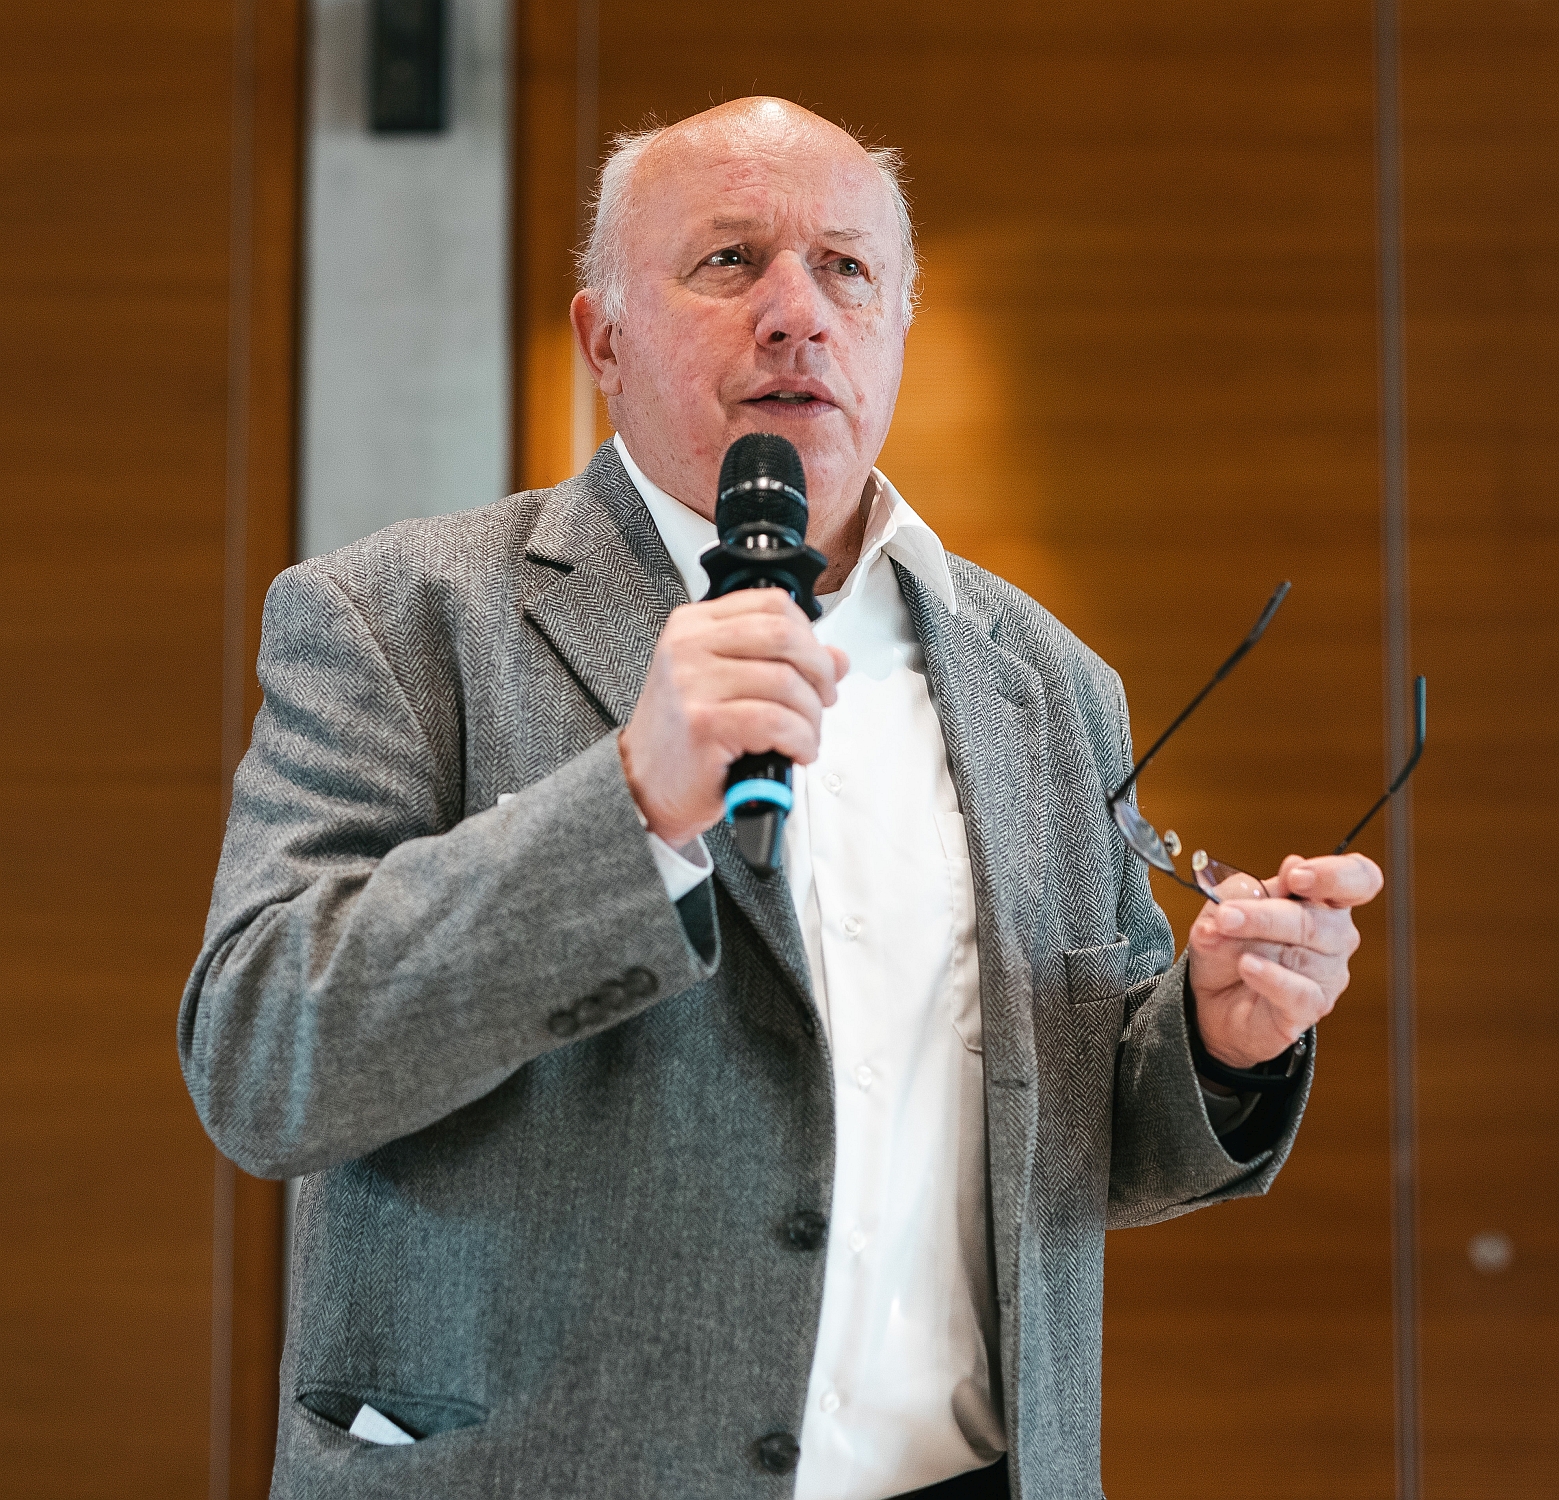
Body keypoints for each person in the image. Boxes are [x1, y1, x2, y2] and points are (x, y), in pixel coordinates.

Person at [179, 97, 1381, 1500]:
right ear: (603, 340)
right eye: (730, 261)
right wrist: (629, 808)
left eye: (847, 269)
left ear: (898, 333)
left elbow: (1064, 1149)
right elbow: (263, 1057)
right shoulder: (399, 620)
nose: (798, 313)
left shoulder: (1050, 684)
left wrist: (1221, 1042)